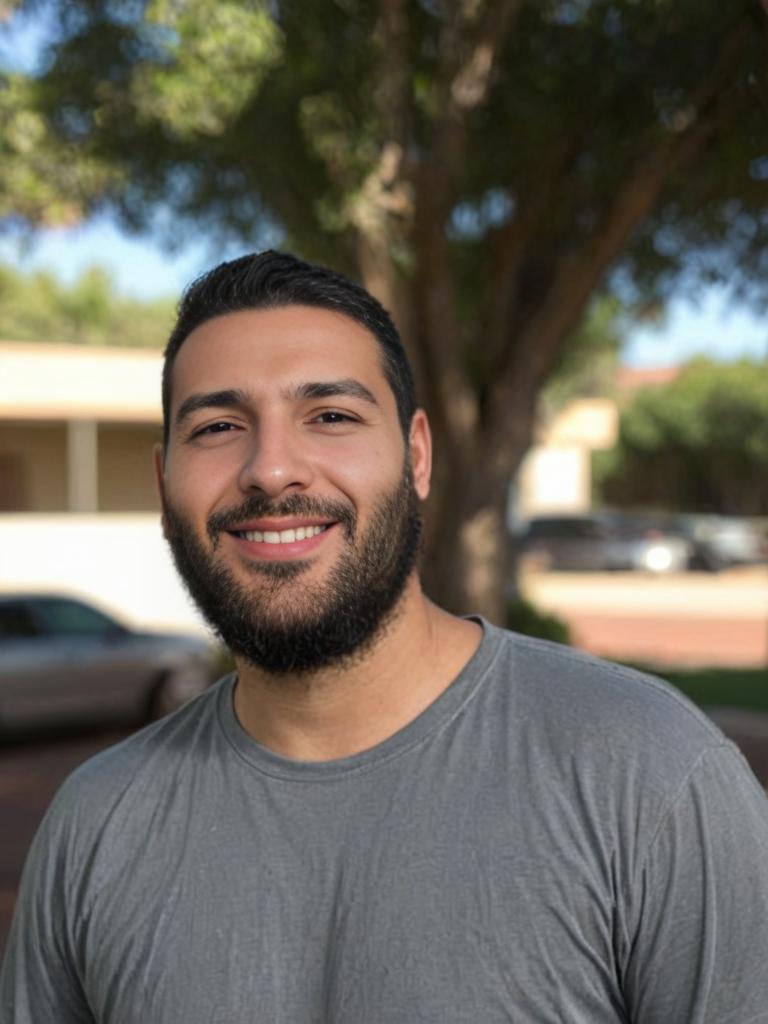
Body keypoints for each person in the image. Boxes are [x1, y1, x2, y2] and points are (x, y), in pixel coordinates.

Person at [3, 251, 768, 1023]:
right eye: (219, 426)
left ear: (418, 455)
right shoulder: (97, 824)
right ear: (166, 485)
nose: (271, 470)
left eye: (331, 416)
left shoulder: (650, 775)